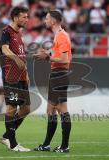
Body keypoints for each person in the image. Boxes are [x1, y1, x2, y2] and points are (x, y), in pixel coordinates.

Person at [33, 10, 72, 153]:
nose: (45, 20)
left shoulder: (61, 36)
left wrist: (47, 58)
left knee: (57, 110)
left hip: (59, 75)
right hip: (59, 75)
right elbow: (57, 53)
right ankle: (50, 145)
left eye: (47, 18)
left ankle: (61, 145)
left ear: (53, 21)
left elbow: (64, 59)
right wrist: (45, 53)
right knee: (54, 110)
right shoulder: (59, 35)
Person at [0, 6, 31, 152]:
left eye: (27, 17)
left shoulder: (19, 34)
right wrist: (15, 59)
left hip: (22, 77)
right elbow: (4, 49)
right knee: (12, 107)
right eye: (24, 17)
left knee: (26, 109)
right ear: (15, 17)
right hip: (11, 76)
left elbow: (23, 56)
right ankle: (12, 143)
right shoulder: (7, 32)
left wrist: (27, 74)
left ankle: (7, 135)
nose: (26, 19)